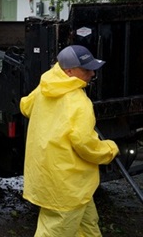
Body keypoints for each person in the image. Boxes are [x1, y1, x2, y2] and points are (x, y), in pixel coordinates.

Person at [20, 45, 119, 236]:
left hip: (53, 178)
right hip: (66, 184)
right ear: (69, 71)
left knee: (87, 226)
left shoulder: (45, 87)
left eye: (92, 68)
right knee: (56, 231)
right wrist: (109, 149)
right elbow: (85, 145)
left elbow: (25, 106)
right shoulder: (79, 102)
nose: (92, 74)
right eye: (86, 69)